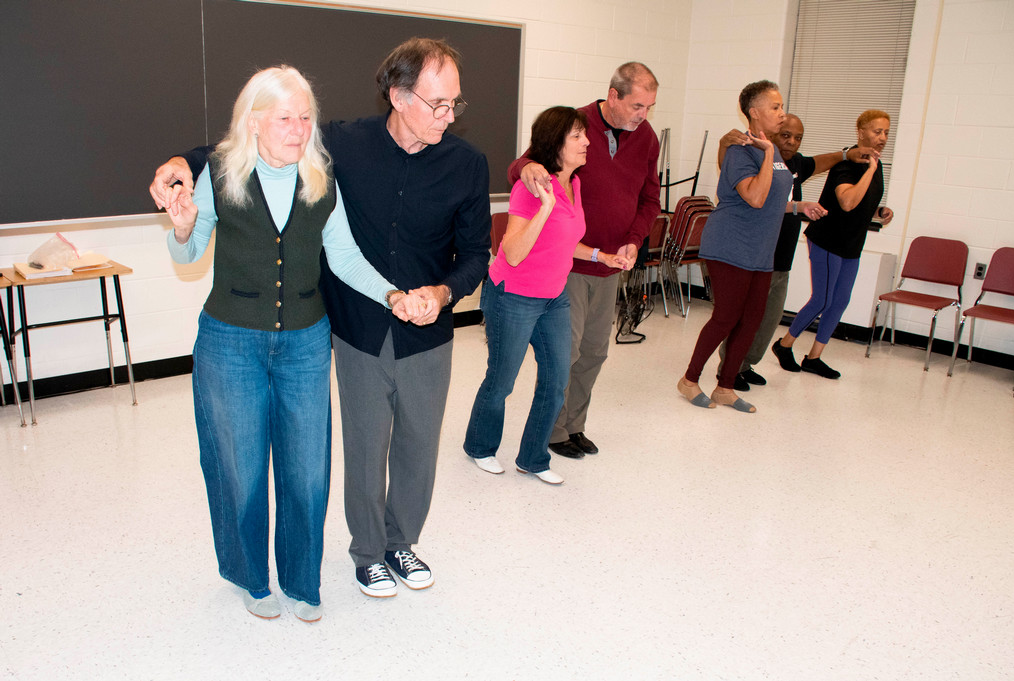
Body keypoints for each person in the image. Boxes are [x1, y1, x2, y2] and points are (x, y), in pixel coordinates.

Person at [150, 39, 491, 599]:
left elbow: (463, 253)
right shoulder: (340, 144)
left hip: (398, 329)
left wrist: (433, 292)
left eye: (455, 103)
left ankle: (382, 550)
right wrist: (180, 167)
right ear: (399, 96)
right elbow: (233, 150)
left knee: (400, 450)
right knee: (335, 451)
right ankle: (343, 559)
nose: (448, 115)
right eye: (437, 103)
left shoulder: (453, 165)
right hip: (334, 329)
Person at [508, 62, 660, 460]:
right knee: (566, 353)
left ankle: (574, 425)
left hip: (612, 263)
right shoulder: (576, 124)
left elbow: (650, 199)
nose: (644, 115)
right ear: (613, 96)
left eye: (649, 107)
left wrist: (634, 240)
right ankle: (553, 430)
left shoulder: (646, 137)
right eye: (638, 105)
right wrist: (528, 167)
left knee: (594, 351)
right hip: (570, 263)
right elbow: (519, 167)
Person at [464, 107, 623, 486]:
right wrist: (545, 207)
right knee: (501, 381)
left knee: (555, 381)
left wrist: (600, 256)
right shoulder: (530, 188)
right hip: (513, 297)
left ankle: (533, 458)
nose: (587, 142)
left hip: (554, 297)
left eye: (585, 134)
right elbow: (513, 252)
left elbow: (564, 240)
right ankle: (480, 447)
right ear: (555, 143)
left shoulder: (574, 184)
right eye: (577, 136)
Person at [715, 115, 866, 390]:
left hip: (782, 260)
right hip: (758, 256)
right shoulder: (760, 160)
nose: (792, 142)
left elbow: (820, 161)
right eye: (786, 136)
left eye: (798, 138)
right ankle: (729, 367)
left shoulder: (796, 164)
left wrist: (846, 154)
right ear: (772, 133)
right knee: (746, 318)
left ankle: (745, 364)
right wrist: (723, 145)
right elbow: (728, 170)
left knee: (769, 320)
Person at [676, 80, 793, 414]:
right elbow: (755, 197)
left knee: (751, 320)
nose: (782, 113)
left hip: (760, 250)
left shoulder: (771, 150)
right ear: (754, 112)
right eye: (775, 107)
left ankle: (725, 387)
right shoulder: (741, 150)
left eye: (782, 106)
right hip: (730, 245)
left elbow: (773, 199)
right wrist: (767, 153)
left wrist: (799, 206)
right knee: (726, 317)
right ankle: (689, 380)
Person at [772, 110, 895, 379]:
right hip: (828, 239)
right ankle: (784, 344)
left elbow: (861, 203)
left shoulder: (875, 165)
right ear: (861, 132)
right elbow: (847, 202)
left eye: (886, 132)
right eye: (877, 131)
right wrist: (870, 170)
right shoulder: (848, 165)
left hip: (851, 242)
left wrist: (879, 211)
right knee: (822, 299)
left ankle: (814, 357)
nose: (883, 137)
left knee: (839, 301)